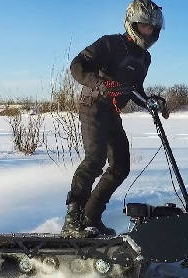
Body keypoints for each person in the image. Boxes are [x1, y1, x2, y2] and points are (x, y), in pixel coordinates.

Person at [62, 0, 168, 238]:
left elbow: (135, 89)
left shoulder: (144, 58)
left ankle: (91, 217)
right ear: (132, 23)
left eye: (152, 27)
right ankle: (73, 219)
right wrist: (101, 85)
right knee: (95, 160)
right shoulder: (110, 43)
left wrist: (151, 102)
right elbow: (77, 66)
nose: (148, 31)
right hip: (93, 105)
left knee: (121, 165)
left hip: (112, 112)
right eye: (143, 26)